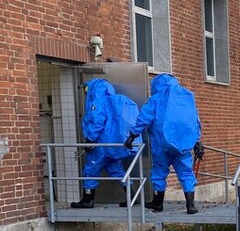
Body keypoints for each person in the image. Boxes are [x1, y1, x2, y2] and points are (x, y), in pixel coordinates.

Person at [124, 73, 203, 214]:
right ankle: (191, 205)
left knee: (159, 172)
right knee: (186, 173)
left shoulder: (155, 99)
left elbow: (144, 118)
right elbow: (194, 121)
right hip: (182, 145)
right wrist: (197, 141)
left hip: (161, 144)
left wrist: (132, 136)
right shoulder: (185, 99)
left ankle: (157, 203)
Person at [71, 78, 141, 208]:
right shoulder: (113, 101)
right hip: (113, 145)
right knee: (117, 170)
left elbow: (97, 121)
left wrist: (90, 140)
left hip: (101, 145)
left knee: (90, 171)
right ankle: (132, 197)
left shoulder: (98, 102)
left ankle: (88, 200)